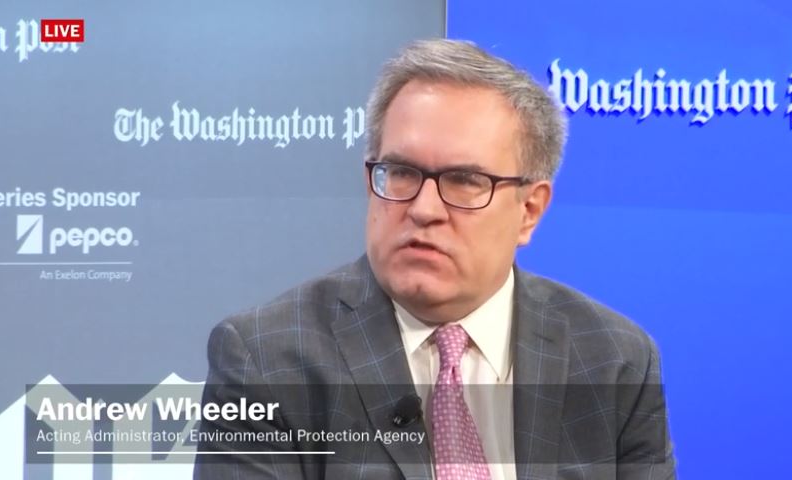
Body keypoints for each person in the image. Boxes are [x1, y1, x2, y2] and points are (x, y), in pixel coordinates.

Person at [194, 38, 676, 480]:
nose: (424, 209)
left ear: (529, 210)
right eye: (401, 172)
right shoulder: (266, 359)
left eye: (465, 181)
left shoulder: (614, 360)